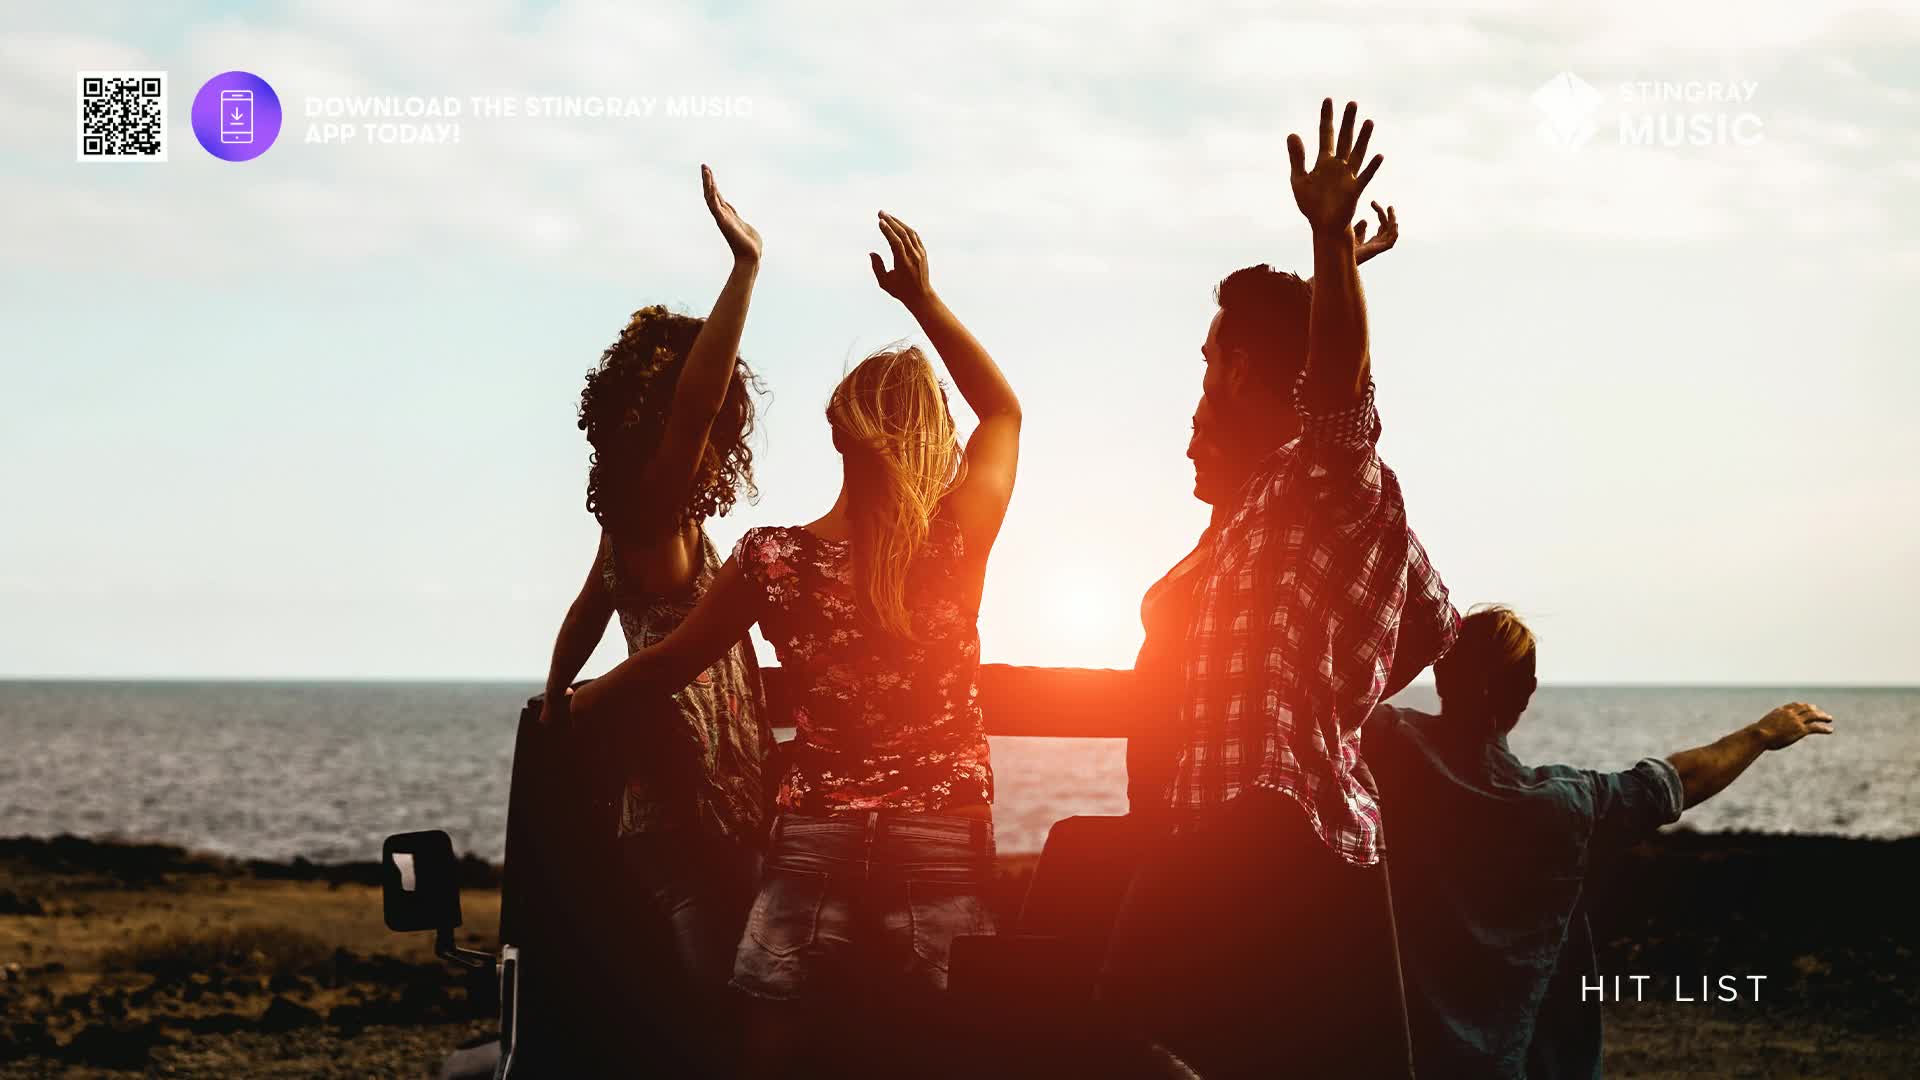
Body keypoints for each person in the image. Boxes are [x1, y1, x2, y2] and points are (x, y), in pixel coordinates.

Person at [571, 210, 1021, 1078]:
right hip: (943, 832)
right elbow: (1000, 408)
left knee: (775, 1048)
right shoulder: (957, 541)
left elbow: (663, 665)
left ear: (836, 434)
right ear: (929, 443)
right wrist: (923, 301)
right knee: (940, 1049)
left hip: (815, 837)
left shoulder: (775, 558)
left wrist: (570, 709)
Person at [1097, 98, 1459, 1080]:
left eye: (1212, 361)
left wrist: (1332, 241)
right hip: (1221, 841)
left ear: (1240, 366)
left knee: (1121, 1031)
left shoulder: (1316, 488)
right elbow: (1430, 620)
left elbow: (1337, 388)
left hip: (1279, 834)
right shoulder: (1262, 519)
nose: (1201, 382)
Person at [528, 164, 776, 1076]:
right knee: (722, 999)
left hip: (672, 792)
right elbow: (700, 400)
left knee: (709, 986)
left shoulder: (629, 518)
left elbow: (586, 615)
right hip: (690, 787)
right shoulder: (657, 505)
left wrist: (558, 698)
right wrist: (745, 269)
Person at [1364, 606, 1835, 1079]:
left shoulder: (1386, 745)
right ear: (1525, 696)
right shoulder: (1563, 806)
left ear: (1442, 676)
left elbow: (1335, 695)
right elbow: (1676, 783)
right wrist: (1761, 734)